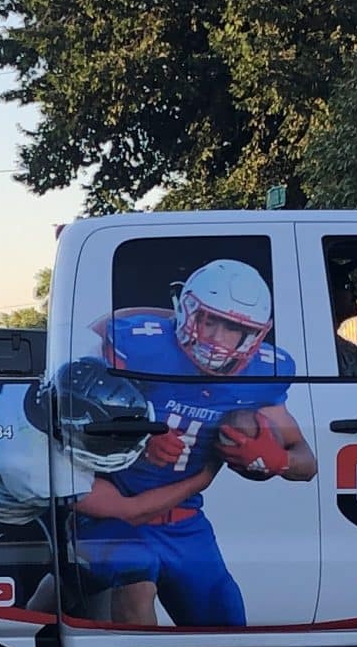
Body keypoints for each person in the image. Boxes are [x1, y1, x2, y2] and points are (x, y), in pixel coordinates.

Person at [71, 259, 318, 627]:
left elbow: (307, 462)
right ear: (187, 311)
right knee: (136, 586)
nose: (218, 338)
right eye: (209, 320)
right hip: (110, 513)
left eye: (233, 328)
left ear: (254, 335)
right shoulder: (137, 345)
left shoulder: (261, 376)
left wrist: (278, 460)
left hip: (184, 522)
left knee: (227, 624)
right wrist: (135, 433)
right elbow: (73, 410)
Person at [0, 360, 203, 612]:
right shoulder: (33, 467)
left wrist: (142, 427)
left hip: (5, 490)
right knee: (2, 614)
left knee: (72, 574)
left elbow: (96, 381)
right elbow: (131, 510)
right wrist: (203, 477)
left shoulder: (45, 382)